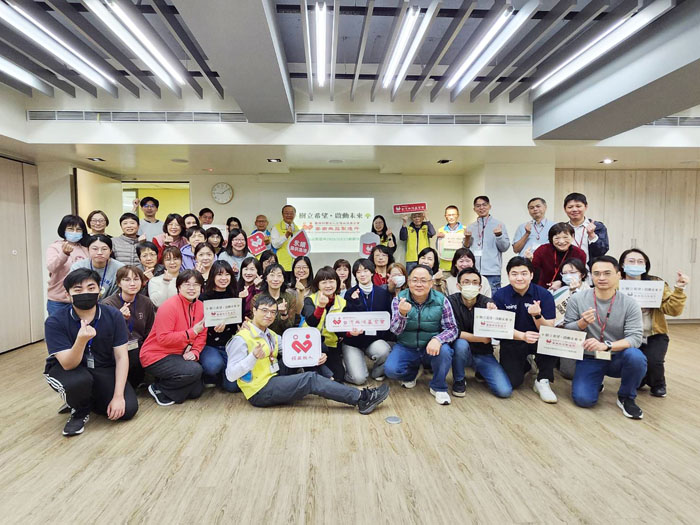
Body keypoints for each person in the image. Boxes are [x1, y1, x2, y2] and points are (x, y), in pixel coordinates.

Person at [225, 294, 390, 414]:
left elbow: (294, 348)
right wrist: (252, 358)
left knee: (307, 354)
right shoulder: (241, 339)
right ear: (254, 310)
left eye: (273, 312)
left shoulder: (270, 334)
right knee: (310, 379)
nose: (269, 315)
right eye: (264, 310)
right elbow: (231, 375)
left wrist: (314, 356)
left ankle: (327, 379)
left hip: (273, 375)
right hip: (260, 390)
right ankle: (361, 398)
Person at [43, 268, 138, 436]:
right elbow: (68, 364)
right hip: (68, 369)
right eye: (78, 290)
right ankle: (79, 411)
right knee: (78, 381)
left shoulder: (113, 315)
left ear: (99, 291)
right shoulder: (55, 321)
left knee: (128, 409)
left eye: (91, 287)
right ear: (68, 295)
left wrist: (118, 396)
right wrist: (81, 341)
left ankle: (84, 398)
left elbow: (121, 357)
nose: (85, 293)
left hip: (102, 367)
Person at [564, 256, 646, 419]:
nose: (601, 278)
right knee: (583, 400)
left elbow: (635, 338)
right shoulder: (577, 299)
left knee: (636, 357)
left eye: (607, 273)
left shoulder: (630, 303)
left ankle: (626, 397)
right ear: (591, 276)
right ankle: (596, 382)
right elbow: (567, 330)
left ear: (618, 275)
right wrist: (582, 323)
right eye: (597, 273)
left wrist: (607, 346)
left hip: (617, 356)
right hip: (590, 357)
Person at [619, 249, 689, 397]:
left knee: (654, 361)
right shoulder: (616, 285)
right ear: (622, 265)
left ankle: (658, 384)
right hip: (626, 334)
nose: (636, 264)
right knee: (632, 362)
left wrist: (679, 289)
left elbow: (672, 310)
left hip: (654, 333)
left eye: (640, 262)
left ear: (646, 265)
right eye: (631, 261)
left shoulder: (656, 284)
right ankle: (640, 378)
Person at [385, 264, 458, 405]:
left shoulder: (442, 300)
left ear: (431, 283)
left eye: (423, 281)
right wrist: (402, 314)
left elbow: (452, 329)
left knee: (445, 351)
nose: (419, 284)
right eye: (414, 280)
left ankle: (438, 387)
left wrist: (438, 339)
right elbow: (395, 331)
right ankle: (412, 373)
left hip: (431, 346)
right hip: (406, 345)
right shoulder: (399, 299)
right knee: (391, 370)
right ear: (408, 282)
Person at [491, 257, 558, 403]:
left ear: (531, 275)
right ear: (508, 275)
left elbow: (549, 329)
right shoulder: (500, 295)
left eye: (524, 273)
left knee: (552, 342)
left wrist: (537, 315)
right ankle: (526, 364)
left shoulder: (544, 295)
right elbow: (499, 328)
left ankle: (542, 380)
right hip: (513, 339)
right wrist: (522, 336)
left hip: (538, 339)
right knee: (513, 382)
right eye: (514, 274)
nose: (519, 278)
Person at [140, 270, 206, 406]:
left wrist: (195, 351)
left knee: (197, 390)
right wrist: (192, 332)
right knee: (195, 371)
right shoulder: (168, 306)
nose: (192, 288)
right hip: (156, 355)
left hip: (179, 354)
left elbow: (202, 334)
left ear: (201, 288)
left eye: (196, 285)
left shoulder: (201, 306)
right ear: (179, 287)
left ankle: (166, 385)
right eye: (187, 284)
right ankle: (158, 388)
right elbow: (163, 338)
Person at [448, 268, 512, 398]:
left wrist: (494, 314)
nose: (471, 285)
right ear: (458, 286)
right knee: (460, 344)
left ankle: (480, 371)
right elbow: (453, 332)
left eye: (475, 282)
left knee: (504, 391)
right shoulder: (450, 302)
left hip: (483, 353)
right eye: (466, 282)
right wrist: (480, 338)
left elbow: (497, 331)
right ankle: (459, 380)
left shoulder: (488, 303)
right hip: (460, 352)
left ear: (480, 287)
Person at [101, 265, 155, 389]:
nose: (132, 283)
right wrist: (119, 319)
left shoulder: (146, 302)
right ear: (119, 283)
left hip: (139, 346)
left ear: (142, 282)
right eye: (126, 280)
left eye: (136, 279)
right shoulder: (108, 304)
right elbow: (105, 334)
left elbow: (149, 331)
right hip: (116, 348)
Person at [342, 259, 392, 385]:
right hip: (353, 342)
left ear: (372, 272)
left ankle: (377, 372)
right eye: (358, 272)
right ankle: (349, 365)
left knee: (384, 350)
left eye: (365, 271)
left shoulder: (383, 293)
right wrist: (355, 302)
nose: (362, 274)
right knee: (359, 379)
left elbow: (387, 318)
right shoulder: (350, 293)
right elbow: (347, 319)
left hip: (373, 340)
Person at [199, 261, 240, 391]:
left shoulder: (235, 295)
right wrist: (212, 328)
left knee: (232, 387)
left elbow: (238, 320)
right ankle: (211, 374)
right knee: (213, 365)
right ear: (213, 276)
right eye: (219, 274)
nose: (224, 278)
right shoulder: (203, 297)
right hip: (210, 344)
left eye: (227, 274)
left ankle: (223, 373)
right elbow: (199, 323)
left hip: (230, 345)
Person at [301, 267, 347, 381]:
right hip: (310, 344)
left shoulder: (343, 302)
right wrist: (321, 307)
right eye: (324, 282)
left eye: (331, 281)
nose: (328, 285)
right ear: (318, 284)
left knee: (339, 377)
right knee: (317, 375)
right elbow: (311, 322)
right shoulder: (310, 300)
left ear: (337, 283)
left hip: (331, 345)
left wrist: (351, 332)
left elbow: (342, 330)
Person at [554, 258, 590, 379]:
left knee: (572, 373)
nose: (568, 275)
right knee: (566, 372)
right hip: (562, 334)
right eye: (565, 273)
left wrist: (576, 292)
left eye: (572, 272)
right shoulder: (560, 291)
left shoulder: (590, 291)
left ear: (582, 274)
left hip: (583, 335)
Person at [46, 214, 90, 315]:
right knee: (58, 325)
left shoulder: (85, 249)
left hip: (81, 298)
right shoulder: (55, 247)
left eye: (78, 230)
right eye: (70, 229)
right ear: (63, 230)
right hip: (58, 300)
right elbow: (52, 268)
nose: (74, 232)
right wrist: (64, 254)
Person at [465, 196, 510, 291]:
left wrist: (499, 235)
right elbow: (465, 249)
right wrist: (467, 238)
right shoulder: (470, 227)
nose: (481, 208)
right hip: (473, 271)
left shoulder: (499, 224)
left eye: (484, 205)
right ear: (474, 209)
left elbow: (504, 247)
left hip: (492, 272)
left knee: (492, 298)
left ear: (489, 206)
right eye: (478, 206)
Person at [531, 223, 587, 289]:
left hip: (570, 288)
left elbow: (580, 275)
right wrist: (529, 260)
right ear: (551, 239)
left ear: (572, 237)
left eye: (565, 237)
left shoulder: (579, 253)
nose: (561, 241)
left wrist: (561, 283)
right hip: (543, 289)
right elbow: (532, 271)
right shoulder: (542, 250)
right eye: (557, 238)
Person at [70, 235, 125, 300]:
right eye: (95, 249)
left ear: (110, 251)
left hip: (111, 304)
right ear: (88, 250)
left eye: (104, 249)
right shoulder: (78, 267)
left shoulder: (120, 268)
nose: (99, 253)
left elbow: (119, 294)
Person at [254, 263, 300, 335]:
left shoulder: (290, 298)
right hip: (262, 337)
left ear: (283, 279)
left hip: (283, 338)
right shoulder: (257, 298)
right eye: (272, 275)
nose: (275, 279)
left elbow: (290, 327)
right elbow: (255, 324)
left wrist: (284, 315)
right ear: (266, 278)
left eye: (279, 275)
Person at [563, 192, 609, 262]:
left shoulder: (597, 227)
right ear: (565, 209)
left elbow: (602, 251)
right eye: (570, 207)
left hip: (590, 267)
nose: (574, 210)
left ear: (586, 207)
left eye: (578, 206)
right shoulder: (562, 229)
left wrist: (592, 235)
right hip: (568, 267)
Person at [436, 205, 469, 272]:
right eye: (449, 215)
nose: (451, 217)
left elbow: (468, 248)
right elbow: (438, 248)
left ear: (458, 215)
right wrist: (438, 239)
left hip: (461, 266)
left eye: (453, 215)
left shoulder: (465, 229)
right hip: (445, 266)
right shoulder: (441, 230)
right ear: (445, 216)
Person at [270, 205, 300, 273]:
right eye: (286, 213)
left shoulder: (297, 229)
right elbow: (275, 245)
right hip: (281, 265)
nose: (289, 215)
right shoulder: (276, 227)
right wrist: (286, 236)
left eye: (291, 213)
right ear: (282, 215)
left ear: (295, 215)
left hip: (295, 265)